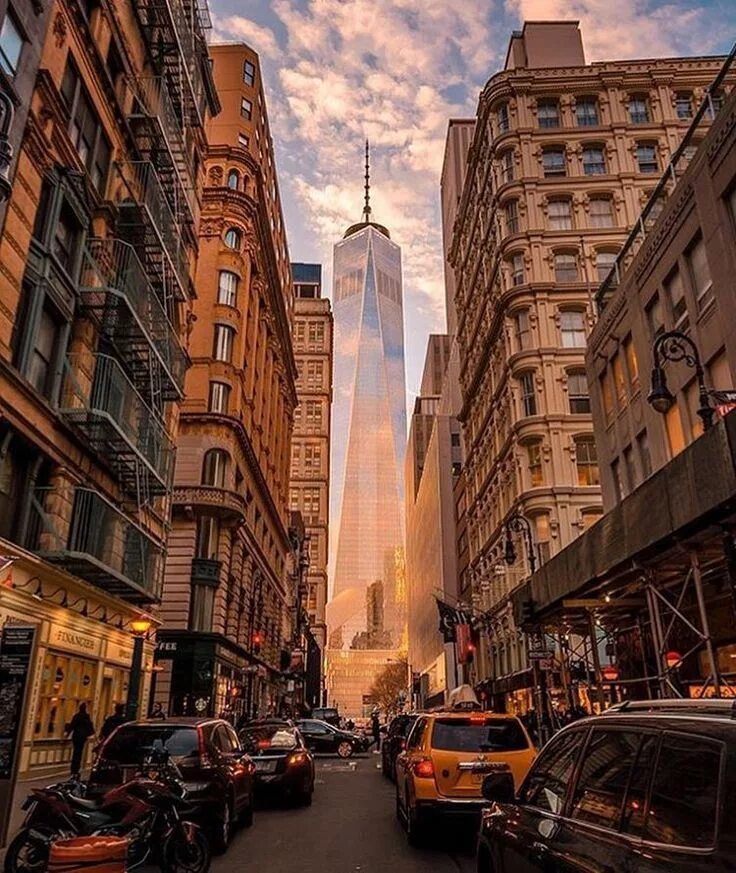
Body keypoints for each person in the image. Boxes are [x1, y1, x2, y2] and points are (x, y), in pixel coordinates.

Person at [65, 703, 95, 776]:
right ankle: (76, 769)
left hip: (76, 736)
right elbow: (90, 728)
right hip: (82, 737)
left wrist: (67, 734)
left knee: (76, 753)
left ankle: (73, 769)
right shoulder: (86, 717)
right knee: (79, 753)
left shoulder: (77, 716)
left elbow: (72, 725)